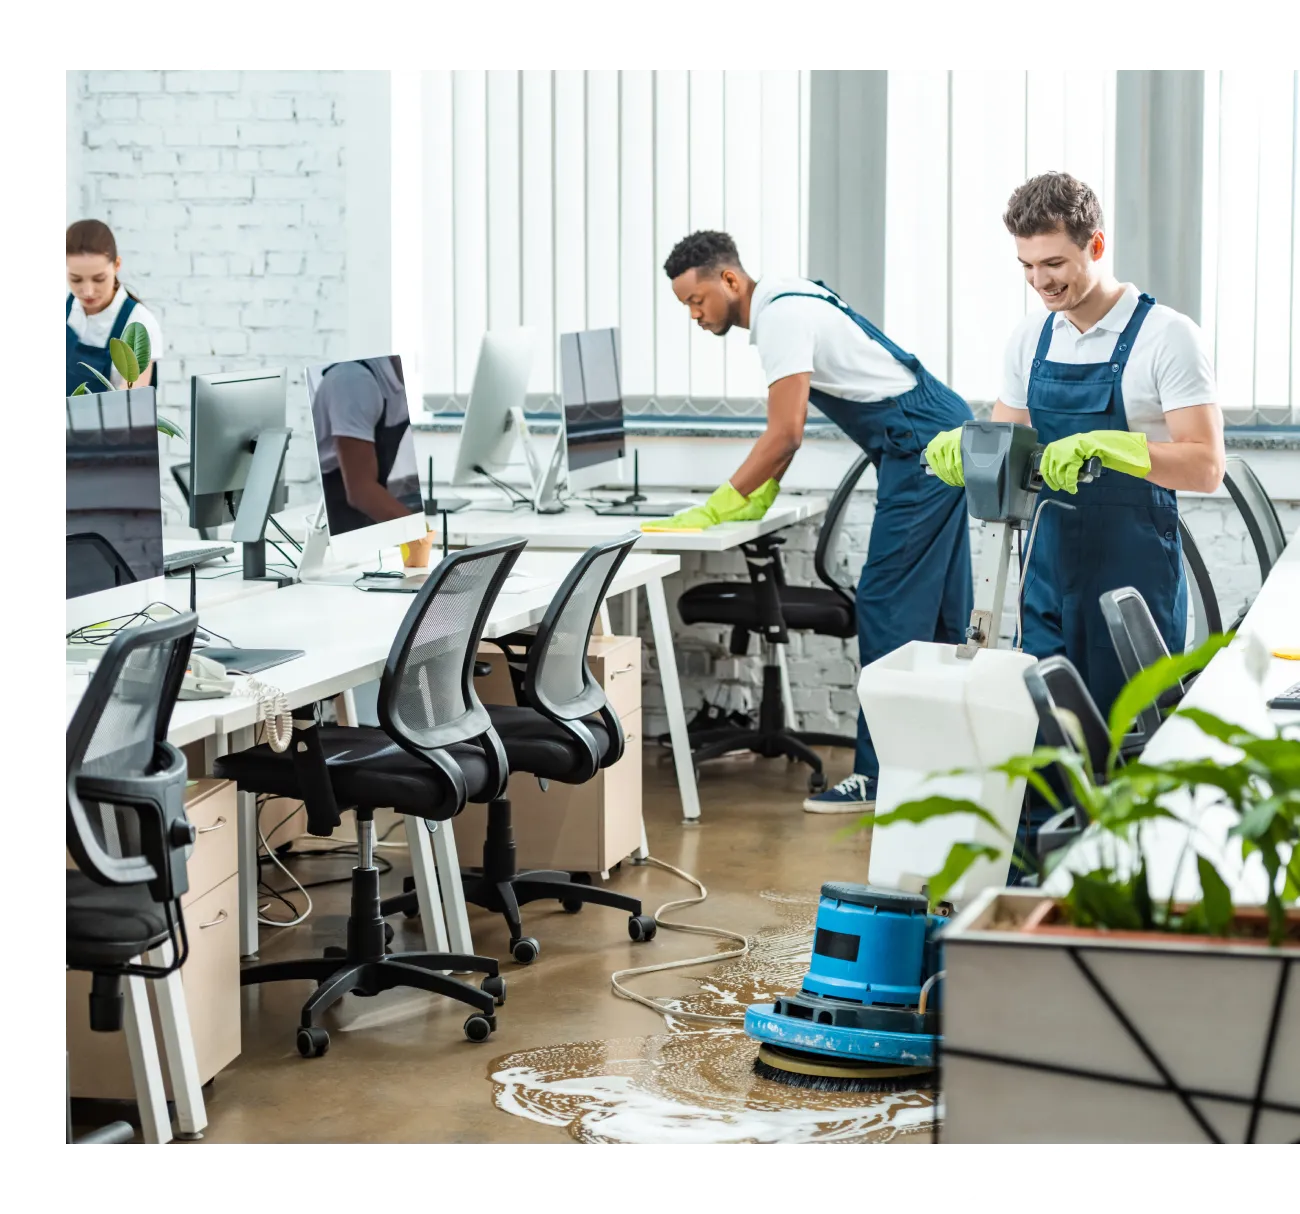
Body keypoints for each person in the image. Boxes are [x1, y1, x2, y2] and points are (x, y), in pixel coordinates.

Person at [660, 231, 975, 814]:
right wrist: (761, 492)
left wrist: (722, 503)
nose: (695, 314)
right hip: (938, 430)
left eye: (696, 300)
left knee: (887, 605)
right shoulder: (790, 298)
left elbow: (786, 431)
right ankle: (948, 764)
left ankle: (881, 779)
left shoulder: (778, 319)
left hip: (922, 444)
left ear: (729, 280)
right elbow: (791, 429)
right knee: (939, 611)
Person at [926, 172, 1225, 722]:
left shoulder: (1168, 336)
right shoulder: (1030, 337)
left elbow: (1206, 467)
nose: (1040, 281)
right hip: (1044, 567)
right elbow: (1009, 450)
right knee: (1048, 741)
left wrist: (1115, 448)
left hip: (1131, 580)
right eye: (1027, 266)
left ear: (1097, 245)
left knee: (1126, 739)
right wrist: (970, 449)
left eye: (1054, 264)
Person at [310, 356, 425, 535]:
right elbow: (361, 491)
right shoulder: (353, 382)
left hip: (368, 505)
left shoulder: (399, 382)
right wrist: (420, 535)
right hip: (336, 511)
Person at [65, 219, 165, 394]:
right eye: (76, 279)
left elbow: (131, 407)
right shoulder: (68, 306)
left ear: (117, 265)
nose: (87, 291)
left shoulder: (138, 324)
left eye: (98, 279)